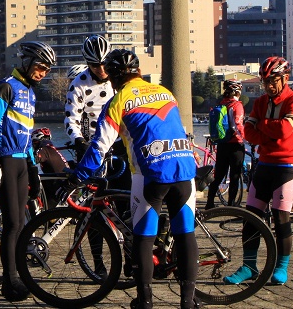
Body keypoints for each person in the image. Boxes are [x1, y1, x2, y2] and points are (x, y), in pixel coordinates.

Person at [71, 49, 198, 309]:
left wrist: (77, 176)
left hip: (151, 173)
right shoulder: (165, 92)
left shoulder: (119, 101)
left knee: (144, 237)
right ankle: (188, 301)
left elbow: (99, 147)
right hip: (185, 168)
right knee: (186, 235)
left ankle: (145, 300)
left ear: (115, 78)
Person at [0, 40, 56, 302]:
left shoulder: (30, 93)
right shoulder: (6, 87)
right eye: (40, 67)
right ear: (26, 62)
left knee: (22, 223)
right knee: (12, 224)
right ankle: (9, 280)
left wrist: (33, 168)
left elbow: (26, 133)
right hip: (5, 161)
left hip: (23, 162)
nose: (42, 73)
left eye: (46, 70)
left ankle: (18, 274)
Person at [224, 56, 293, 286]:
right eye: (265, 81)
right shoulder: (260, 102)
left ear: (285, 78)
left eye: (273, 81)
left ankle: (281, 266)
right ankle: (249, 266)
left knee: (281, 218)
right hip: (265, 163)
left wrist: (262, 128)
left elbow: (285, 130)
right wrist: (269, 132)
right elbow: (249, 133)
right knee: (251, 218)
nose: (268, 86)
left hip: (288, 166)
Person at [64, 34, 115, 161]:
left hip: (118, 141)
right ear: (88, 63)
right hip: (92, 143)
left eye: (104, 63)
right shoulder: (78, 84)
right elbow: (71, 118)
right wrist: (79, 140)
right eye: (95, 65)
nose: (101, 69)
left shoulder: (118, 77)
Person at [204, 79, 246, 209]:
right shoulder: (237, 105)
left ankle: (209, 202)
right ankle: (231, 204)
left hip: (222, 144)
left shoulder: (221, 103)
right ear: (237, 91)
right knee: (234, 175)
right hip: (235, 144)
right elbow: (237, 125)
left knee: (219, 175)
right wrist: (246, 137)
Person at [31, 127, 69, 207]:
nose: (33, 145)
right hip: (64, 182)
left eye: (34, 142)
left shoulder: (43, 150)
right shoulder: (52, 149)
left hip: (57, 186)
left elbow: (32, 160)